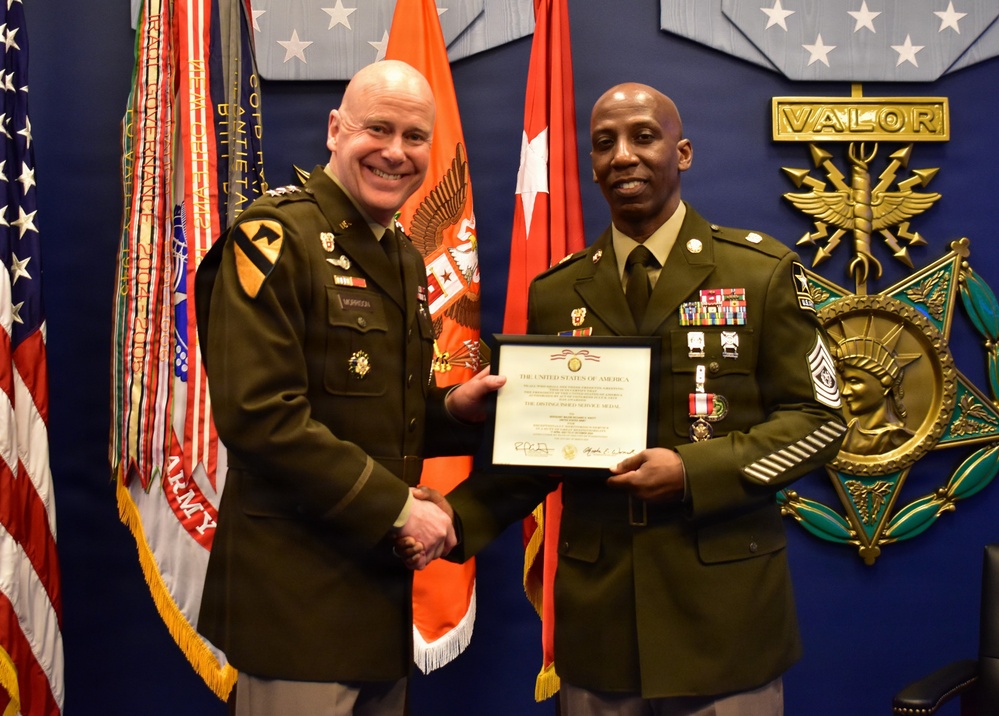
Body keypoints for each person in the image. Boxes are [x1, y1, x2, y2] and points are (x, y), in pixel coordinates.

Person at [405, 83, 848, 714]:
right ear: (591, 164)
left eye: (644, 136)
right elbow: (538, 446)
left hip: (724, 617)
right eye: (605, 142)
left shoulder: (759, 271)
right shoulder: (558, 291)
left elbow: (820, 421)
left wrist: (692, 471)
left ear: (683, 151)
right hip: (601, 617)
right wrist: (454, 518)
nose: (623, 156)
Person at [194, 59, 504, 716]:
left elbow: (375, 411)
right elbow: (259, 418)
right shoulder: (274, 238)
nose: (395, 152)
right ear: (336, 129)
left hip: (373, 598)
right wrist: (400, 508)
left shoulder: (401, 254)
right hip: (295, 605)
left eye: (414, 137)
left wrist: (452, 409)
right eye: (378, 129)